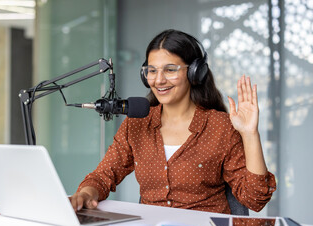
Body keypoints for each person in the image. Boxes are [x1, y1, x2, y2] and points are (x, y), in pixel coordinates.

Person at [69, 29, 276, 214]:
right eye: (152, 70)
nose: (158, 80)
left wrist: (250, 134)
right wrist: (87, 193)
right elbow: (103, 175)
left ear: (195, 72)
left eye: (170, 70)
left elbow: (254, 199)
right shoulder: (137, 124)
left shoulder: (221, 126)